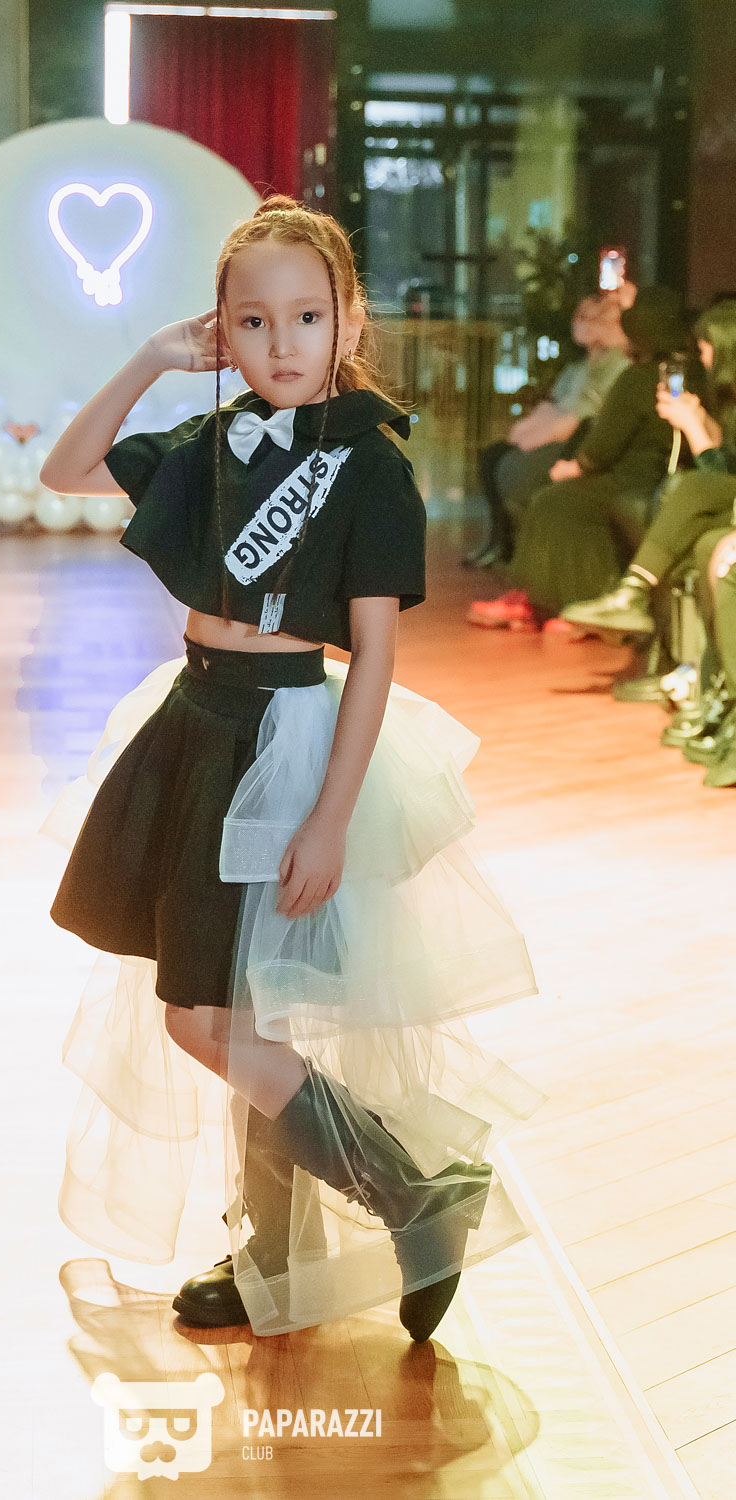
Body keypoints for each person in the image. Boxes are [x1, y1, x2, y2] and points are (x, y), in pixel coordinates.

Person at [38, 196, 542, 1343]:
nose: (280, 343)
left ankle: (411, 1189)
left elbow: (373, 657)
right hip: (193, 726)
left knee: (208, 1020)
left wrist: (328, 816)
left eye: (306, 317)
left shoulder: (368, 465)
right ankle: (278, 1256)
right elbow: (67, 470)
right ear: (221, 328)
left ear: (346, 320)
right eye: (252, 320)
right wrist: (151, 357)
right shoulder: (207, 446)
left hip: (284, 741)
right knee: (243, 1017)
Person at [468, 288, 699, 631]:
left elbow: (604, 444)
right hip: (654, 478)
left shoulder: (638, 377)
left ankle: (548, 603)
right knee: (557, 499)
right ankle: (556, 602)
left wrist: (576, 467)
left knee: (551, 501)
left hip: (627, 480)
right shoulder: (689, 373)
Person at [561, 300, 736, 637]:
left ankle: (632, 595)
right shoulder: (726, 397)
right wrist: (701, 419)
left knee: (694, 486)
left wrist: (693, 429)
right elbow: (727, 460)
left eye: (705, 350)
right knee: (688, 493)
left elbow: (718, 479)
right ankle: (634, 597)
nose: (702, 360)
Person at [465, 294, 631, 568]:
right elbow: (558, 406)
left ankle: (516, 553)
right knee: (494, 458)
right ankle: (501, 543)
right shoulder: (581, 367)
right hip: (560, 438)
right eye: (582, 317)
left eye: (597, 318)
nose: (585, 323)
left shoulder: (617, 365)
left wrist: (535, 435)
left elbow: (584, 417)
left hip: (578, 444)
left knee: (516, 470)